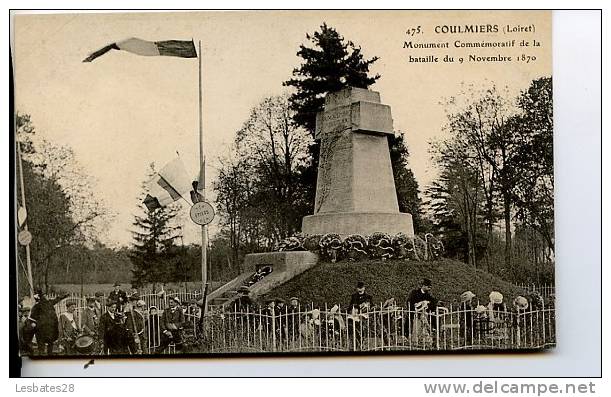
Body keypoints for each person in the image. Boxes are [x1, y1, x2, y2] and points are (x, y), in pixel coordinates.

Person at [29, 289, 68, 355]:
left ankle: (48, 356)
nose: (47, 296)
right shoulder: (37, 306)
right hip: (42, 330)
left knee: (50, 344)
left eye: (46, 295)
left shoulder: (49, 303)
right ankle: (42, 357)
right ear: (42, 297)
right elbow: (32, 318)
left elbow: (57, 299)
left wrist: (64, 296)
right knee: (42, 346)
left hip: (50, 329)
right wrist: (34, 324)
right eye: (45, 295)